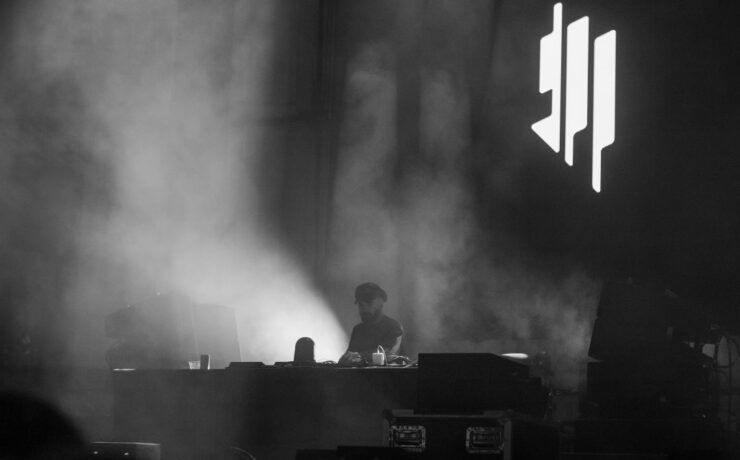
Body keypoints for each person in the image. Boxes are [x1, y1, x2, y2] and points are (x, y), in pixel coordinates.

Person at [339, 282, 403, 366]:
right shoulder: (358, 330)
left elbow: (388, 354)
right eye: (361, 304)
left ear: (381, 302)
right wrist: (344, 360)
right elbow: (350, 355)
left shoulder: (393, 326)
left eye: (369, 303)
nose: (364, 308)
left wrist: (359, 356)